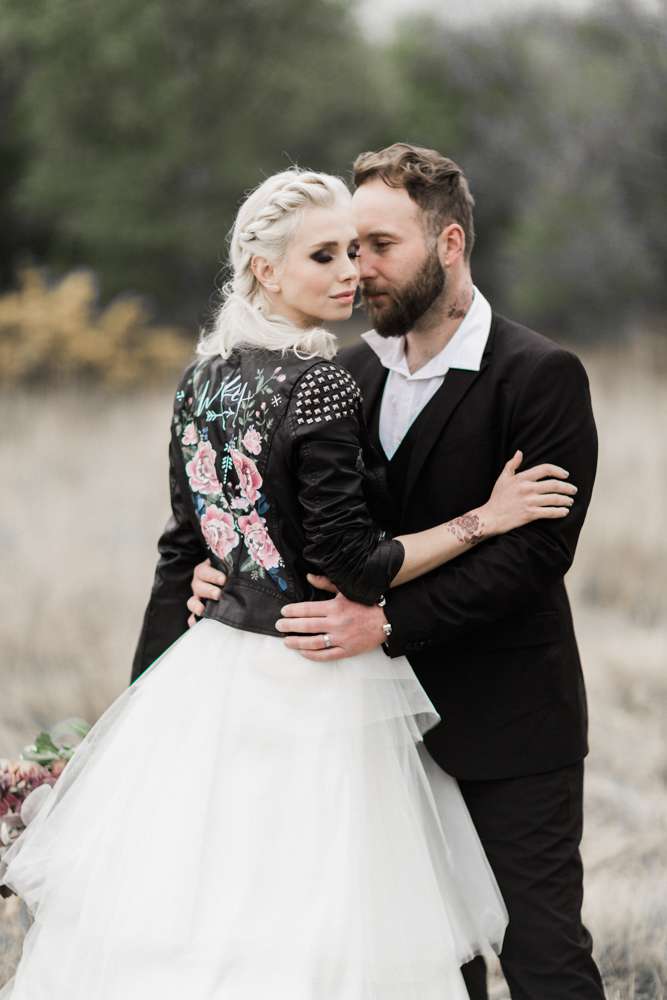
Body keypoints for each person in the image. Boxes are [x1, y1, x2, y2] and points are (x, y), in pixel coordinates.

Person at [1, 167, 576, 1000]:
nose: (349, 272)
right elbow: (355, 566)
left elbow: (185, 548)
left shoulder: (199, 379)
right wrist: (483, 518)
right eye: (325, 255)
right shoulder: (321, 381)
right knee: (328, 924)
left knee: (215, 918)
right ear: (264, 270)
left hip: (213, 683)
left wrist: (139, 706)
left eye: (355, 250)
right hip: (314, 682)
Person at [186, 146, 605, 1000]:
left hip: (507, 723)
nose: (357, 271)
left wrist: (386, 623)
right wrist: (223, 572)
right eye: (341, 249)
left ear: (449, 244)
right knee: (417, 969)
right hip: (366, 729)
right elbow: (292, 525)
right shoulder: (342, 375)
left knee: (541, 956)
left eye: (378, 245)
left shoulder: (540, 376)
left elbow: (533, 556)